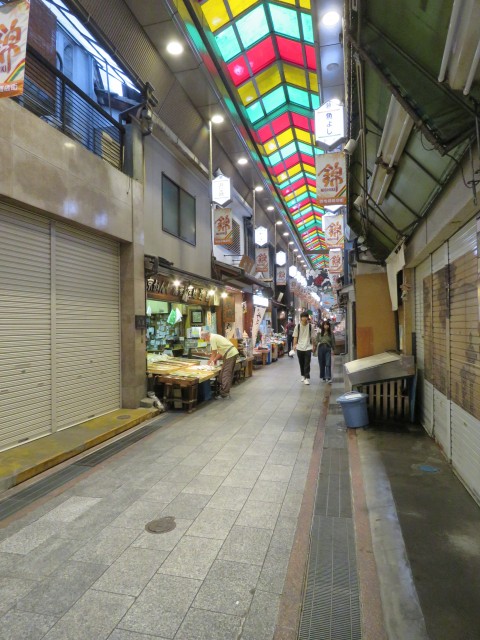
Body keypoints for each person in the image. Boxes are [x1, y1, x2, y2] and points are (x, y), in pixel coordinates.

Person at [201, 329, 239, 399]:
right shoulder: (215, 337)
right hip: (230, 354)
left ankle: (225, 394)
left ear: (206, 337)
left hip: (230, 354)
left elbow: (214, 353)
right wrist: (214, 359)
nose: (205, 341)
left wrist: (210, 362)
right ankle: (222, 391)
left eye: (204, 339)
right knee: (222, 373)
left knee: (226, 374)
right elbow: (220, 352)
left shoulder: (212, 338)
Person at [293, 311, 315, 385]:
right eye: (303, 317)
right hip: (299, 347)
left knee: (307, 363)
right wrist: (294, 346)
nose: (305, 318)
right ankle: (302, 375)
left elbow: (312, 337)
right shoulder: (298, 326)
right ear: (301, 318)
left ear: (307, 318)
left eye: (306, 317)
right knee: (301, 362)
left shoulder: (310, 326)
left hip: (308, 347)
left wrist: (313, 346)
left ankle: (306, 377)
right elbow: (295, 337)